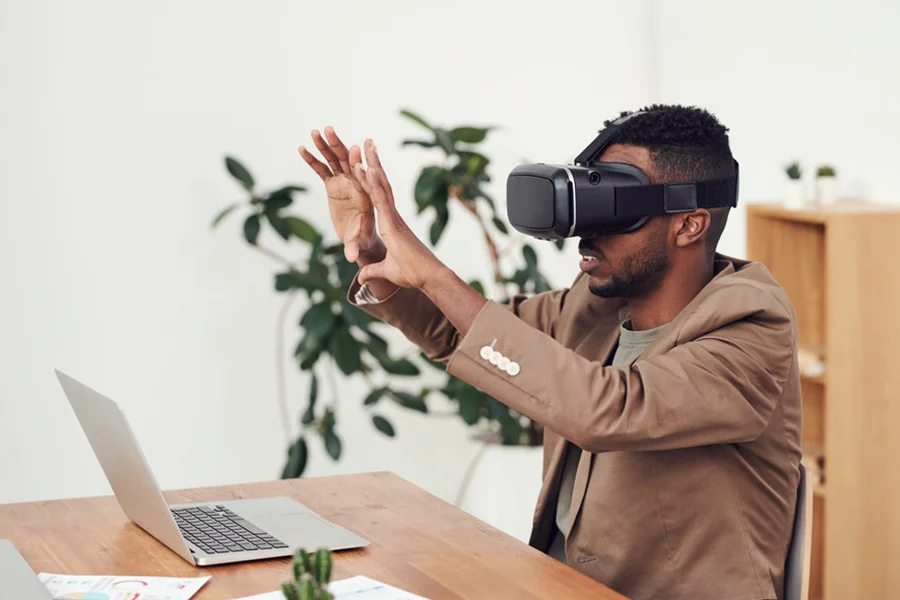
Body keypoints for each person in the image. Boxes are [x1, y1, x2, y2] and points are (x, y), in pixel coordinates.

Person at [298, 105, 802, 600]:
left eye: (617, 208)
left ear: (689, 225)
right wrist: (375, 253)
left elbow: (610, 410)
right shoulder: (595, 307)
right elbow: (467, 336)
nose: (589, 230)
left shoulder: (750, 326)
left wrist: (433, 271)